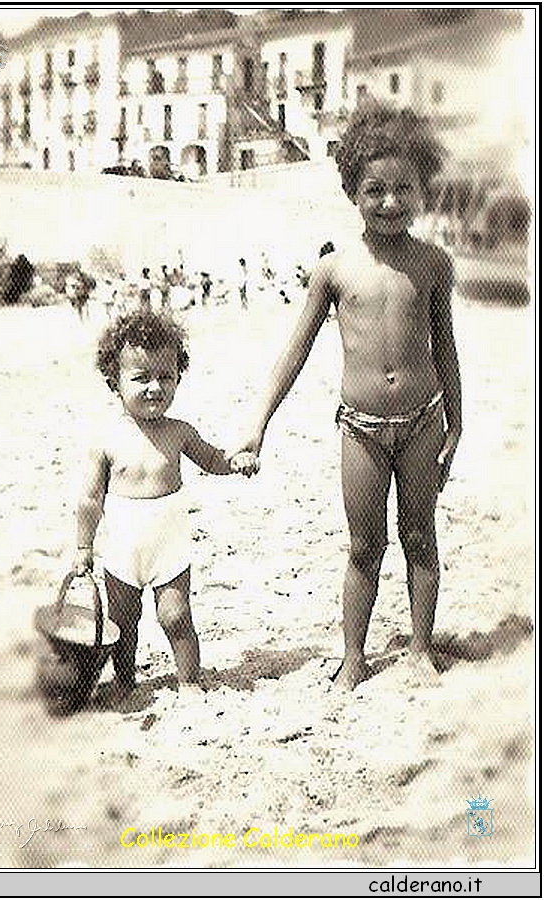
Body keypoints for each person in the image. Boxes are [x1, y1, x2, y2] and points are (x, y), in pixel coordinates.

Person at [233, 103, 462, 691]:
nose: (390, 202)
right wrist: (257, 423)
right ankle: (354, 657)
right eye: (374, 190)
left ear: (423, 190)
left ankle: (419, 650)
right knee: (364, 545)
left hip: (423, 422)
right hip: (359, 427)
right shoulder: (332, 271)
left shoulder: (435, 263)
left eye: (403, 189)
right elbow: (295, 352)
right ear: (352, 191)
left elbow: (446, 348)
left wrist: (456, 423)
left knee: (419, 536)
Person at [74, 310, 258, 705]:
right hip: (123, 550)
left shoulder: (179, 432)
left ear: (178, 377)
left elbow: (211, 459)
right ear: (114, 383)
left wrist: (235, 461)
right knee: (122, 624)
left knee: (176, 617)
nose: (156, 387)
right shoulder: (107, 440)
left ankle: (189, 680)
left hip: (169, 546)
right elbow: (90, 499)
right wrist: (82, 548)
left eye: (166, 377)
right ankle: (125, 682)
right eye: (141, 379)